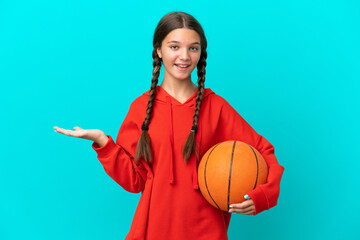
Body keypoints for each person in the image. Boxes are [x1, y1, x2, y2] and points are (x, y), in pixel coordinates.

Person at [54, 11, 285, 240]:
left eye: (193, 48)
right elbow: (135, 181)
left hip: (207, 231)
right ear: (159, 50)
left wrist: (261, 196)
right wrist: (102, 142)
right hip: (153, 230)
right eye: (174, 46)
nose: (184, 56)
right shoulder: (141, 108)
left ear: (201, 53)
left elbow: (264, 152)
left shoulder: (216, 107)